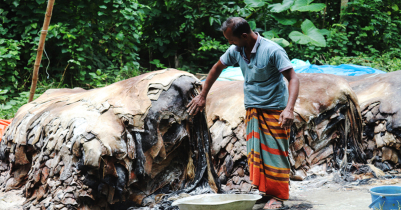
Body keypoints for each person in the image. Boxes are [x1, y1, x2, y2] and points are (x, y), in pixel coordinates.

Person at [187, 17, 299, 209]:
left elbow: (293, 78)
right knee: (258, 153)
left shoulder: (272, 50)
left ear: (245, 36)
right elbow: (217, 68)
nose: (230, 44)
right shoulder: (236, 50)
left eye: (232, 40)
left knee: (275, 153)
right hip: (253, 109)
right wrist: (202, 95)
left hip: (275, 109)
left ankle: (278, 196)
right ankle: (266, 192)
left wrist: (289, 109)